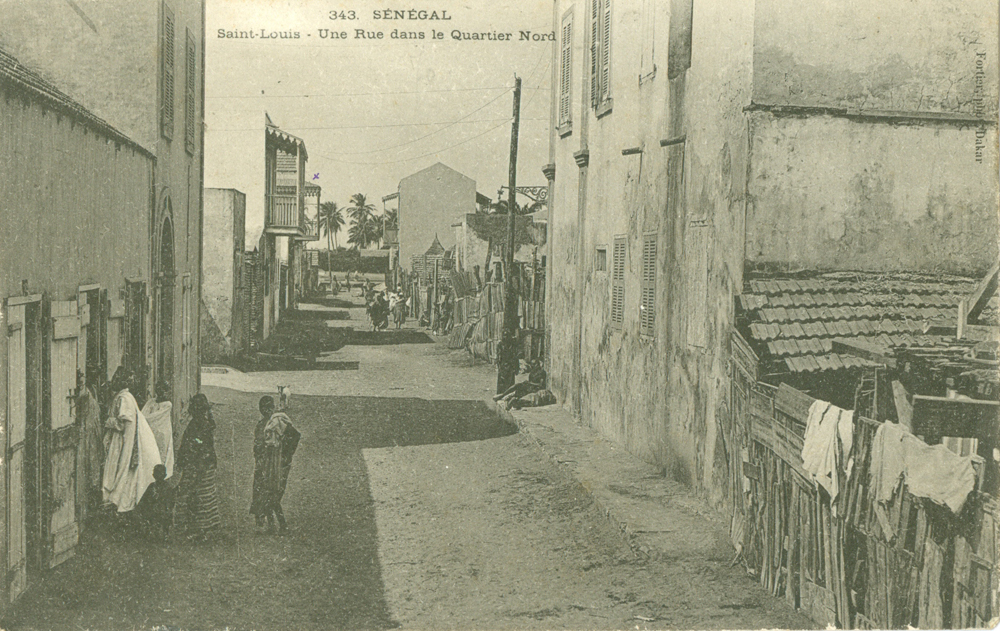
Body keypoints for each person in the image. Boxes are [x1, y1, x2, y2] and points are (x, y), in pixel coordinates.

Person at [102, 367, 162, 513]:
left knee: (120, 467)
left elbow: (124, 423)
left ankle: (116, 498)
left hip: (122, 440)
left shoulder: (124, 398)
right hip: (121, 439)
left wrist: (108, 421)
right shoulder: (123, 396)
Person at [251, 396, 301, 535]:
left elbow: (294, 438)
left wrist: (283, 458)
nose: (266, 411)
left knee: (271, 496)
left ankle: (281, 525)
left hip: (273, 466)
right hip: (269, 466)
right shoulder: (277, 422)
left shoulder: (277, 423)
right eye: (264, 409)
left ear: (272, 408)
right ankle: (273, 524)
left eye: (268, 408)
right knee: (269, 495)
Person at [176, 393, 222, 539]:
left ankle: (200, 529)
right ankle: (197, 528)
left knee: (200, 496)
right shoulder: (196, 424)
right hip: (196, 464)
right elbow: (187, 442)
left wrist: (192, 461)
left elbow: (204, 447)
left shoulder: (203, 425)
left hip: (201, 465)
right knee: (196, 496)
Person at [141, 379, 175, 479]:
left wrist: (143, 420)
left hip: (162, 432)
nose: (161, 392)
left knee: (162, 452)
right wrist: (144, 419)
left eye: (164, 390)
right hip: (151, 431)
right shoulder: (151, 402)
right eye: (159, 389)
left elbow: (154, 417)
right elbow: (144, 413)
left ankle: (161, 476)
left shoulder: (167, 405)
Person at [136, 464, 172, 541]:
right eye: (156, 473)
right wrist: (140, 508)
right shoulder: (152, 486)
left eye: (160, 473)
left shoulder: (167, 487)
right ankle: (150, 534)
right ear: (153, 475)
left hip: (163, 511)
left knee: (163, 518)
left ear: (165, 475)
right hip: (152, 510)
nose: (158, 475)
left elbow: (170, 501)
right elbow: (144, 499)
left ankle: (164, 535)